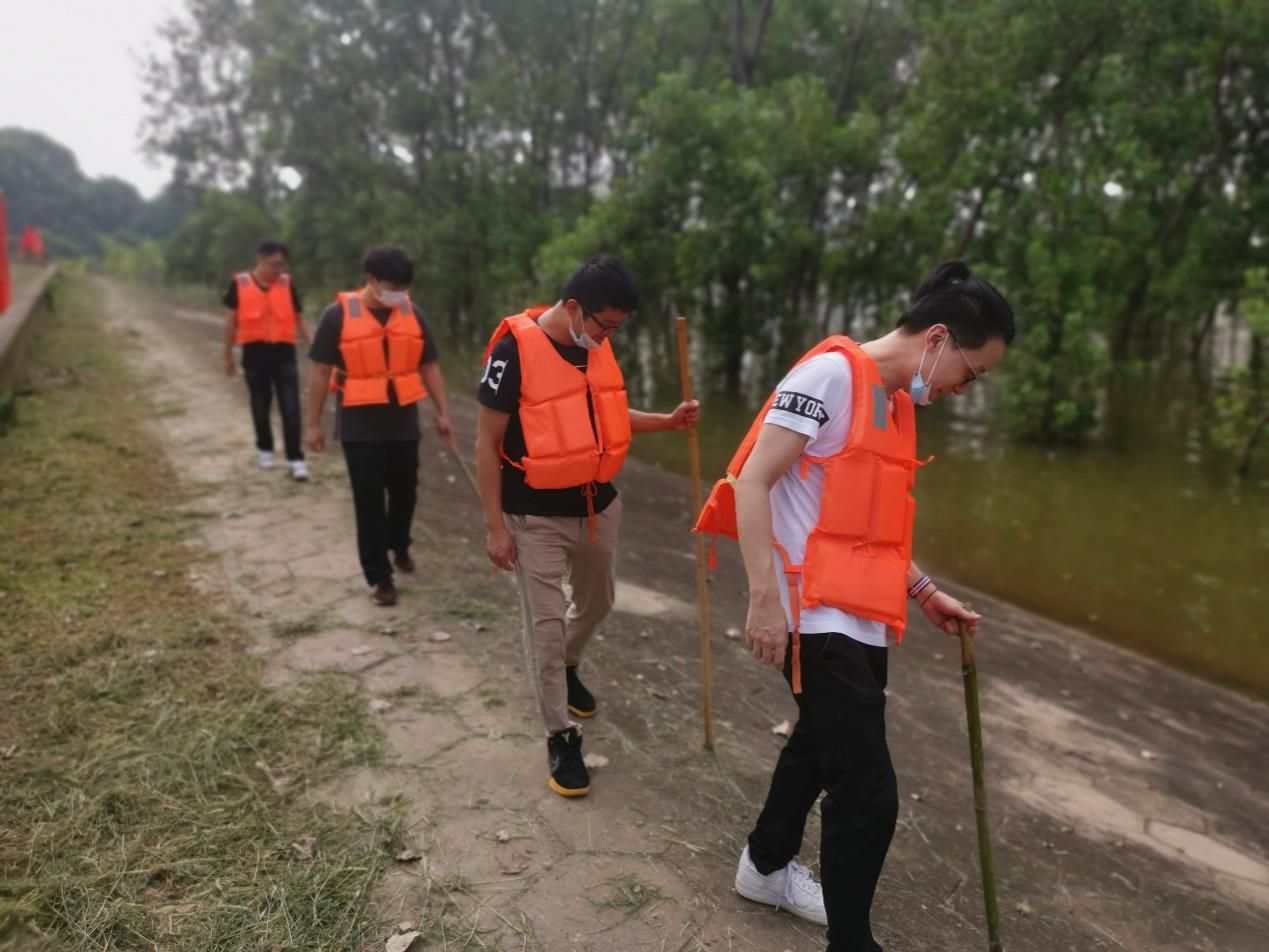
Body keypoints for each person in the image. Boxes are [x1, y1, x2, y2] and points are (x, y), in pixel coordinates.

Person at [695, 261, 1015, 951]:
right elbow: (752, 482)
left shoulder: (894, 403)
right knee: (867, 791)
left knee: (818, 744)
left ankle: (764, 865)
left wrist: (924, 592)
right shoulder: (829, 376)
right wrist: (763, 601)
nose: (963, 390)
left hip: (860, 615)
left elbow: (868, 526)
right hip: (812, 615)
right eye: (971, 372)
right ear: (937, 337)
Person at [475, 256, 699, 798]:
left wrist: (667, 421)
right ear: (575, 308)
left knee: (598, 603)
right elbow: (485, 442)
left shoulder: (595, 345)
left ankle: (569, 665)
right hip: (534, 516)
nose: (608, 337)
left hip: (598, 508)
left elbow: (608, 418)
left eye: (617, 328)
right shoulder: (513, 353)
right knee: (545, 628)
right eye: (606, 325)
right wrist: (495, 527)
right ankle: (560, 735)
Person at [304, 245, 452, 606]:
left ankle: (399, 544)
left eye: (404, 288)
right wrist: (313, 424)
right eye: (392, 287)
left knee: (405, 493)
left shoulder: (413, 313)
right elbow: (320, 371)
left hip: (403, 423)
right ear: (371, 279)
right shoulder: (337, 315)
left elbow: (429, 365)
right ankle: (379, 576)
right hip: (359, 426)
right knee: (368, 501)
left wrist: (443, 412)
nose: (398, 295)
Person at [222, 239, 313, 480]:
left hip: (284, 353)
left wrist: (316, 347)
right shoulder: (239, 284)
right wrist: (227, 355)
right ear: (260, 259)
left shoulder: (287, 284)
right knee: (260, 404)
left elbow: (300, 319)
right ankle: (265, 448)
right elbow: (230, 324)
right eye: (274, 264)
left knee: (291, 407)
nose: (279, 270)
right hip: (255, 355)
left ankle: (296, 459)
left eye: (282, 264)